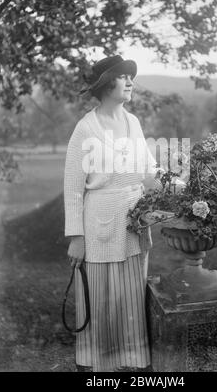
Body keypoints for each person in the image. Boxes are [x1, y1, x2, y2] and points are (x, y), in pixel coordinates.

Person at [63, 55, 162, 372]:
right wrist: (76, 237)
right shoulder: (86, 128)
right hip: (99, 226)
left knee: (131, 293)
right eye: (123, 77)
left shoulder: (133, 122)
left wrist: (180, 186)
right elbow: (73, 186)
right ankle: (99, 364)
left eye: (131, 77)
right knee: (103, 295)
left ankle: (131, 362)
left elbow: (149, 170)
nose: (131, 81)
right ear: (106, 85)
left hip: (134, 222)